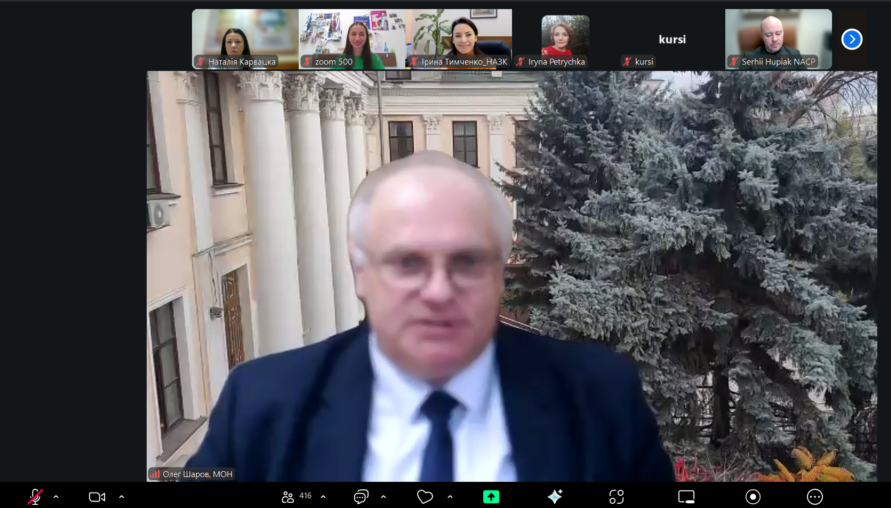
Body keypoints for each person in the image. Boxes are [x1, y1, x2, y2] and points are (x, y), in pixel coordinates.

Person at [183, 151, 675, 482]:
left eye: (468, 261)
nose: (439, 292)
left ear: (501, 272)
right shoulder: (263, 402)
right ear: (360, 273)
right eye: (407, 262)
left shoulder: (600, 396)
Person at [739, 16, 807, 70]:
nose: (774, 39)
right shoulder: (748, 58)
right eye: (769, 35)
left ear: (783, 33)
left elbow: (806, 80)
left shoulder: (795, 55)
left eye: (778, 33)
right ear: (762, 36)